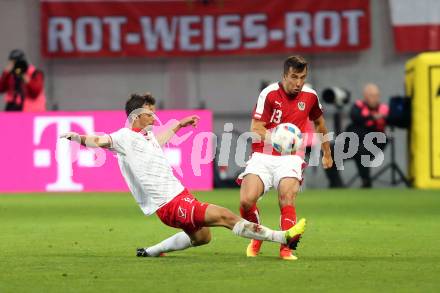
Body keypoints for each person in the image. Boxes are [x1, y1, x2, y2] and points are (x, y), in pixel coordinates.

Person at [60, 93, 306, 258]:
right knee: (224, 216)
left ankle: (151, 252)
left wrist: (179, 125)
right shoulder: (123, 138)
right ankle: (282, 236)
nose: (154, 116)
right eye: (149, 112)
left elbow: (159, 140)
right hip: (169, 204)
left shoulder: (145, 138)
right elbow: (100, 140)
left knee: (203, 237)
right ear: (136, 115)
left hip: (179, 196)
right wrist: (78, 138)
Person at [237, 56, 333, 260]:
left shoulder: (310, 96)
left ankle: (286, 247)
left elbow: (320, 125)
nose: (298, 83)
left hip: (290, 158)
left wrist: (327, 153)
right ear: (284, 76)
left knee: (287, 198)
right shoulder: (269, 94)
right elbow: (255, 128)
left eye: (303, 77)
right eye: (294, 77)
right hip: (263, 155)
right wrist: (278, 138)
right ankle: (258, 234)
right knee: (246, 201)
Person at [325, 83, 389, 188]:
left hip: (375, 140)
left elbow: (391, 119)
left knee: (362, 151)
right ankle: (336, 184)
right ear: (365, 96)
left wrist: (376, 118)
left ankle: (366, 182)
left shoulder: (384, 109)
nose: (375, 98)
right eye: (371, 96)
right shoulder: (358, 106)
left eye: (377, 95)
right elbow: (356, 117)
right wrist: (373, 117)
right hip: (354, 139)